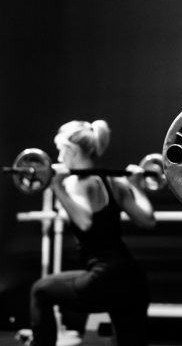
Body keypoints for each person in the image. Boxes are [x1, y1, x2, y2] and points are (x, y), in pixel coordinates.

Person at [23, 120, 155, 346]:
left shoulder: (77, 183)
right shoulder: (115, 181)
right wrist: (136, 186)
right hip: (132, 281)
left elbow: (84, 221)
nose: (58, 156)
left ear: (71, 150)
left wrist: (57, 187)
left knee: (40, 291)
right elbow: (148, 220)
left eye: (60, 149)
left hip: (103, 278)